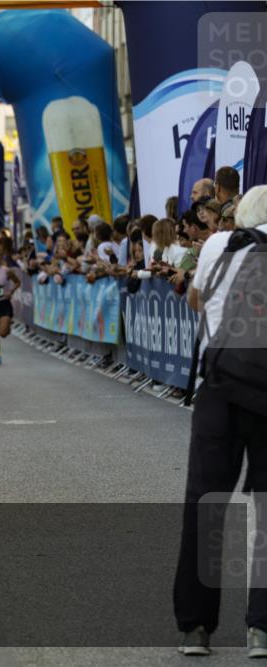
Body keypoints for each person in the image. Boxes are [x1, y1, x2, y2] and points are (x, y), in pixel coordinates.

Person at [175, 185, 267, 657]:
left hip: (221, 386)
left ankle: (196, 627)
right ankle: (262, 630)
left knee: (205, 503)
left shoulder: (216, 245)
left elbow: (196, 300)